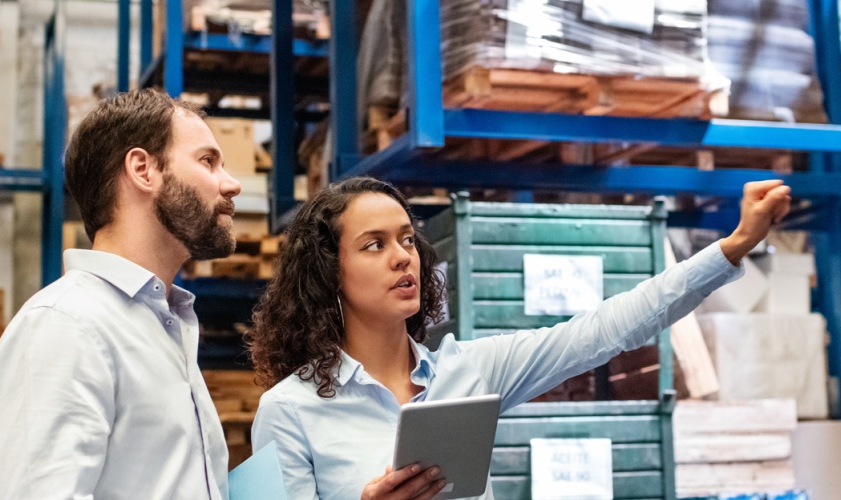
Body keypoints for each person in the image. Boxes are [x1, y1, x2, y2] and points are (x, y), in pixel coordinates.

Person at [248, 177, 792, 499]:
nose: (402, 256)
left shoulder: (472, 371)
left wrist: (736, 246)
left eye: (407, 239)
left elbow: (606, 329)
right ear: (327, 272)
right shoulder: (288, 410)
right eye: (373, 244)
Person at [0, 89, 243, 498]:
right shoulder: (65, 326)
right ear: (143, 169)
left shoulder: (162, 324)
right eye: (208, 161)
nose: (232, 184)